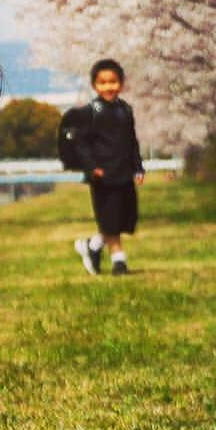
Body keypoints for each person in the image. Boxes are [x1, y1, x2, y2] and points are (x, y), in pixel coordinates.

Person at [69, 59, 145, 277]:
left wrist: (138, 167)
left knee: (124, 217)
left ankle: (92, 245)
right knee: (110, 218)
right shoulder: (91, 112)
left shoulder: (125, 110)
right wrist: (92, 167)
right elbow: (81, 143)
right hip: (102, 175)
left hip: (123, 172)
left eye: (113, 82)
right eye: (102, 82)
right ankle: (118, 260)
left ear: (121, 84)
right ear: (94, 85)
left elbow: (132, 141)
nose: (108, 87)